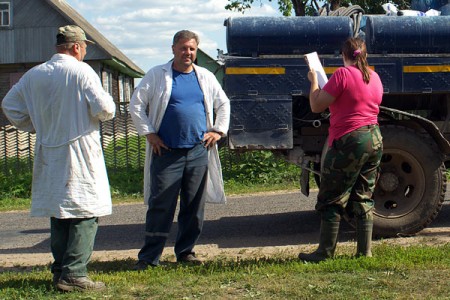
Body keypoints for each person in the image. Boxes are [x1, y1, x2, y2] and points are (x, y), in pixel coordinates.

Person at [2, 25, 116, 290]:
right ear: (76, 47)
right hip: (79, 151)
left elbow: (10, 105)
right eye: (85, 47)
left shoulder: (34, 75)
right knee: (85, 211)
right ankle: (74, 274)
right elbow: (105, 109)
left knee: (60, 210)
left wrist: (35, 125)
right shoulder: (81, 71)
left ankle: (60, 271)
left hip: (49, 150)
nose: (85, 51)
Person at [129, 30, 230, 269]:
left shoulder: (204, 76)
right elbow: (136, 105)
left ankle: (186, 252)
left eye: (192, 49)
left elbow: (223, 103)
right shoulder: (157, 75)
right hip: (166, 152)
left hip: (197, 151)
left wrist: (218, 131)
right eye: (184, 48)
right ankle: (149, 257)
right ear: (173, 49)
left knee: (194, 205)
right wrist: (149, 133)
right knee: (161, 205)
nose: (188, 53)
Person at [298, 37, 383, 262]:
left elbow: (316, 105)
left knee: (332, 196)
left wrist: (313, 80)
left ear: (344, 55)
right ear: (364, 55)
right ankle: (364, 253)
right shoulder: (374, 77)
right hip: (374, 138)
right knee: (363, 195)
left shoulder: (343, 75)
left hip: (349, 140)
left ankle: (324, 253)